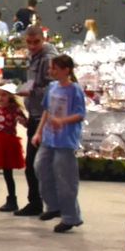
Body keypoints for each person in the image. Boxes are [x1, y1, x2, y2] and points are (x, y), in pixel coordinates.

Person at [33, 53, 86, 233]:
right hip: (49, 137)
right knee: (41, 167)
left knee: (65, 179)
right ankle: (53, 205)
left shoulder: (75, 90)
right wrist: (39, 132)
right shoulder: (52, 87)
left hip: (65, 140)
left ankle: (71, 217)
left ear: (66, 70)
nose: (51, 71)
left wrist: (62, 121)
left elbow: (80, 114)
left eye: (54, 68)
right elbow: (47, 111)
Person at [15, 26, 55, 216]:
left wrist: (31, 91)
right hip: (35, 113)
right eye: (29, 42)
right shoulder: (34, 56)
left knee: (35, 164)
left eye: (36, 42)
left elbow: (54, 88)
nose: (32, 46)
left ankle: (42, 203)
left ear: (43, 39)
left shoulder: (49, 59)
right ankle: (42, 203)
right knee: (35, 164)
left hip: (44, 117)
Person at [0, 83, 28, 212]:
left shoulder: (15, 109)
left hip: (8, 143)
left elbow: (26, 123)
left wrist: (23, 121)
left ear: (10, 96)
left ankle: (12, 199)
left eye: (3, 95)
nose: (0, 98)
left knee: (8, 173)